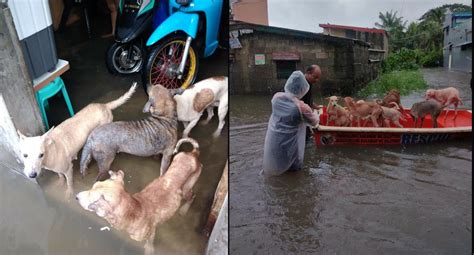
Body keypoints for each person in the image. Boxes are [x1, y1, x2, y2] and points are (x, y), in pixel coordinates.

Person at [262, 71, 320, 176]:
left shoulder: (276, 97)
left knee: (277, 167)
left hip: (274, 140)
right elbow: (315, 121)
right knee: (293, 172)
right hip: (292, 144)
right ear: (303, 89)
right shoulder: (302, 107)